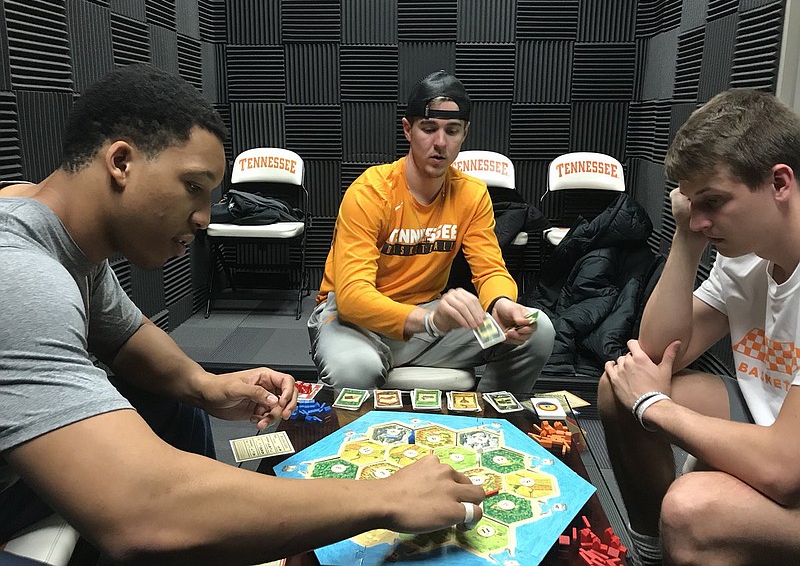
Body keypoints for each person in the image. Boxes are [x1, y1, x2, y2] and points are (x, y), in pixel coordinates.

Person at [0, 65, 487, 564]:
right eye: (194, 186)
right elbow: (142, 513)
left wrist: (206, 385)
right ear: (121, 161)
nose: (206, 218)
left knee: (176, 400)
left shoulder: (45, 216)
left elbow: (125, 336)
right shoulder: (20, 275)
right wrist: (387, 497)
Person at [599, 89, 800, 565]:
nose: (701, 218)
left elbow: (785, 469)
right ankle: (654, 552)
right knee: (618, 387)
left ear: (779, 182)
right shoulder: (749, 253)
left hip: (789, 454)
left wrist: (655, 407)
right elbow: (655, 351)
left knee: (693, 510)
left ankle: (693, 537)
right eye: (692, 203)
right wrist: (686, 242)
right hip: (772, 421)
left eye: (713, 202)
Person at [308, 70, 555, 392]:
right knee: (357, 368)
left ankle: (489, 425)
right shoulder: (371, 190)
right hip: (353, 321)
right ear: (408, 129)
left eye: (452, 130)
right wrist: (429, 323)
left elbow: (490, 269)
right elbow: (354, 298)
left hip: (427, 317)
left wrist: (501, 303)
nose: (440, 143)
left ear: (465, 133)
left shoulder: (472, 193)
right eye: (429, 128)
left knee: (538, 329)